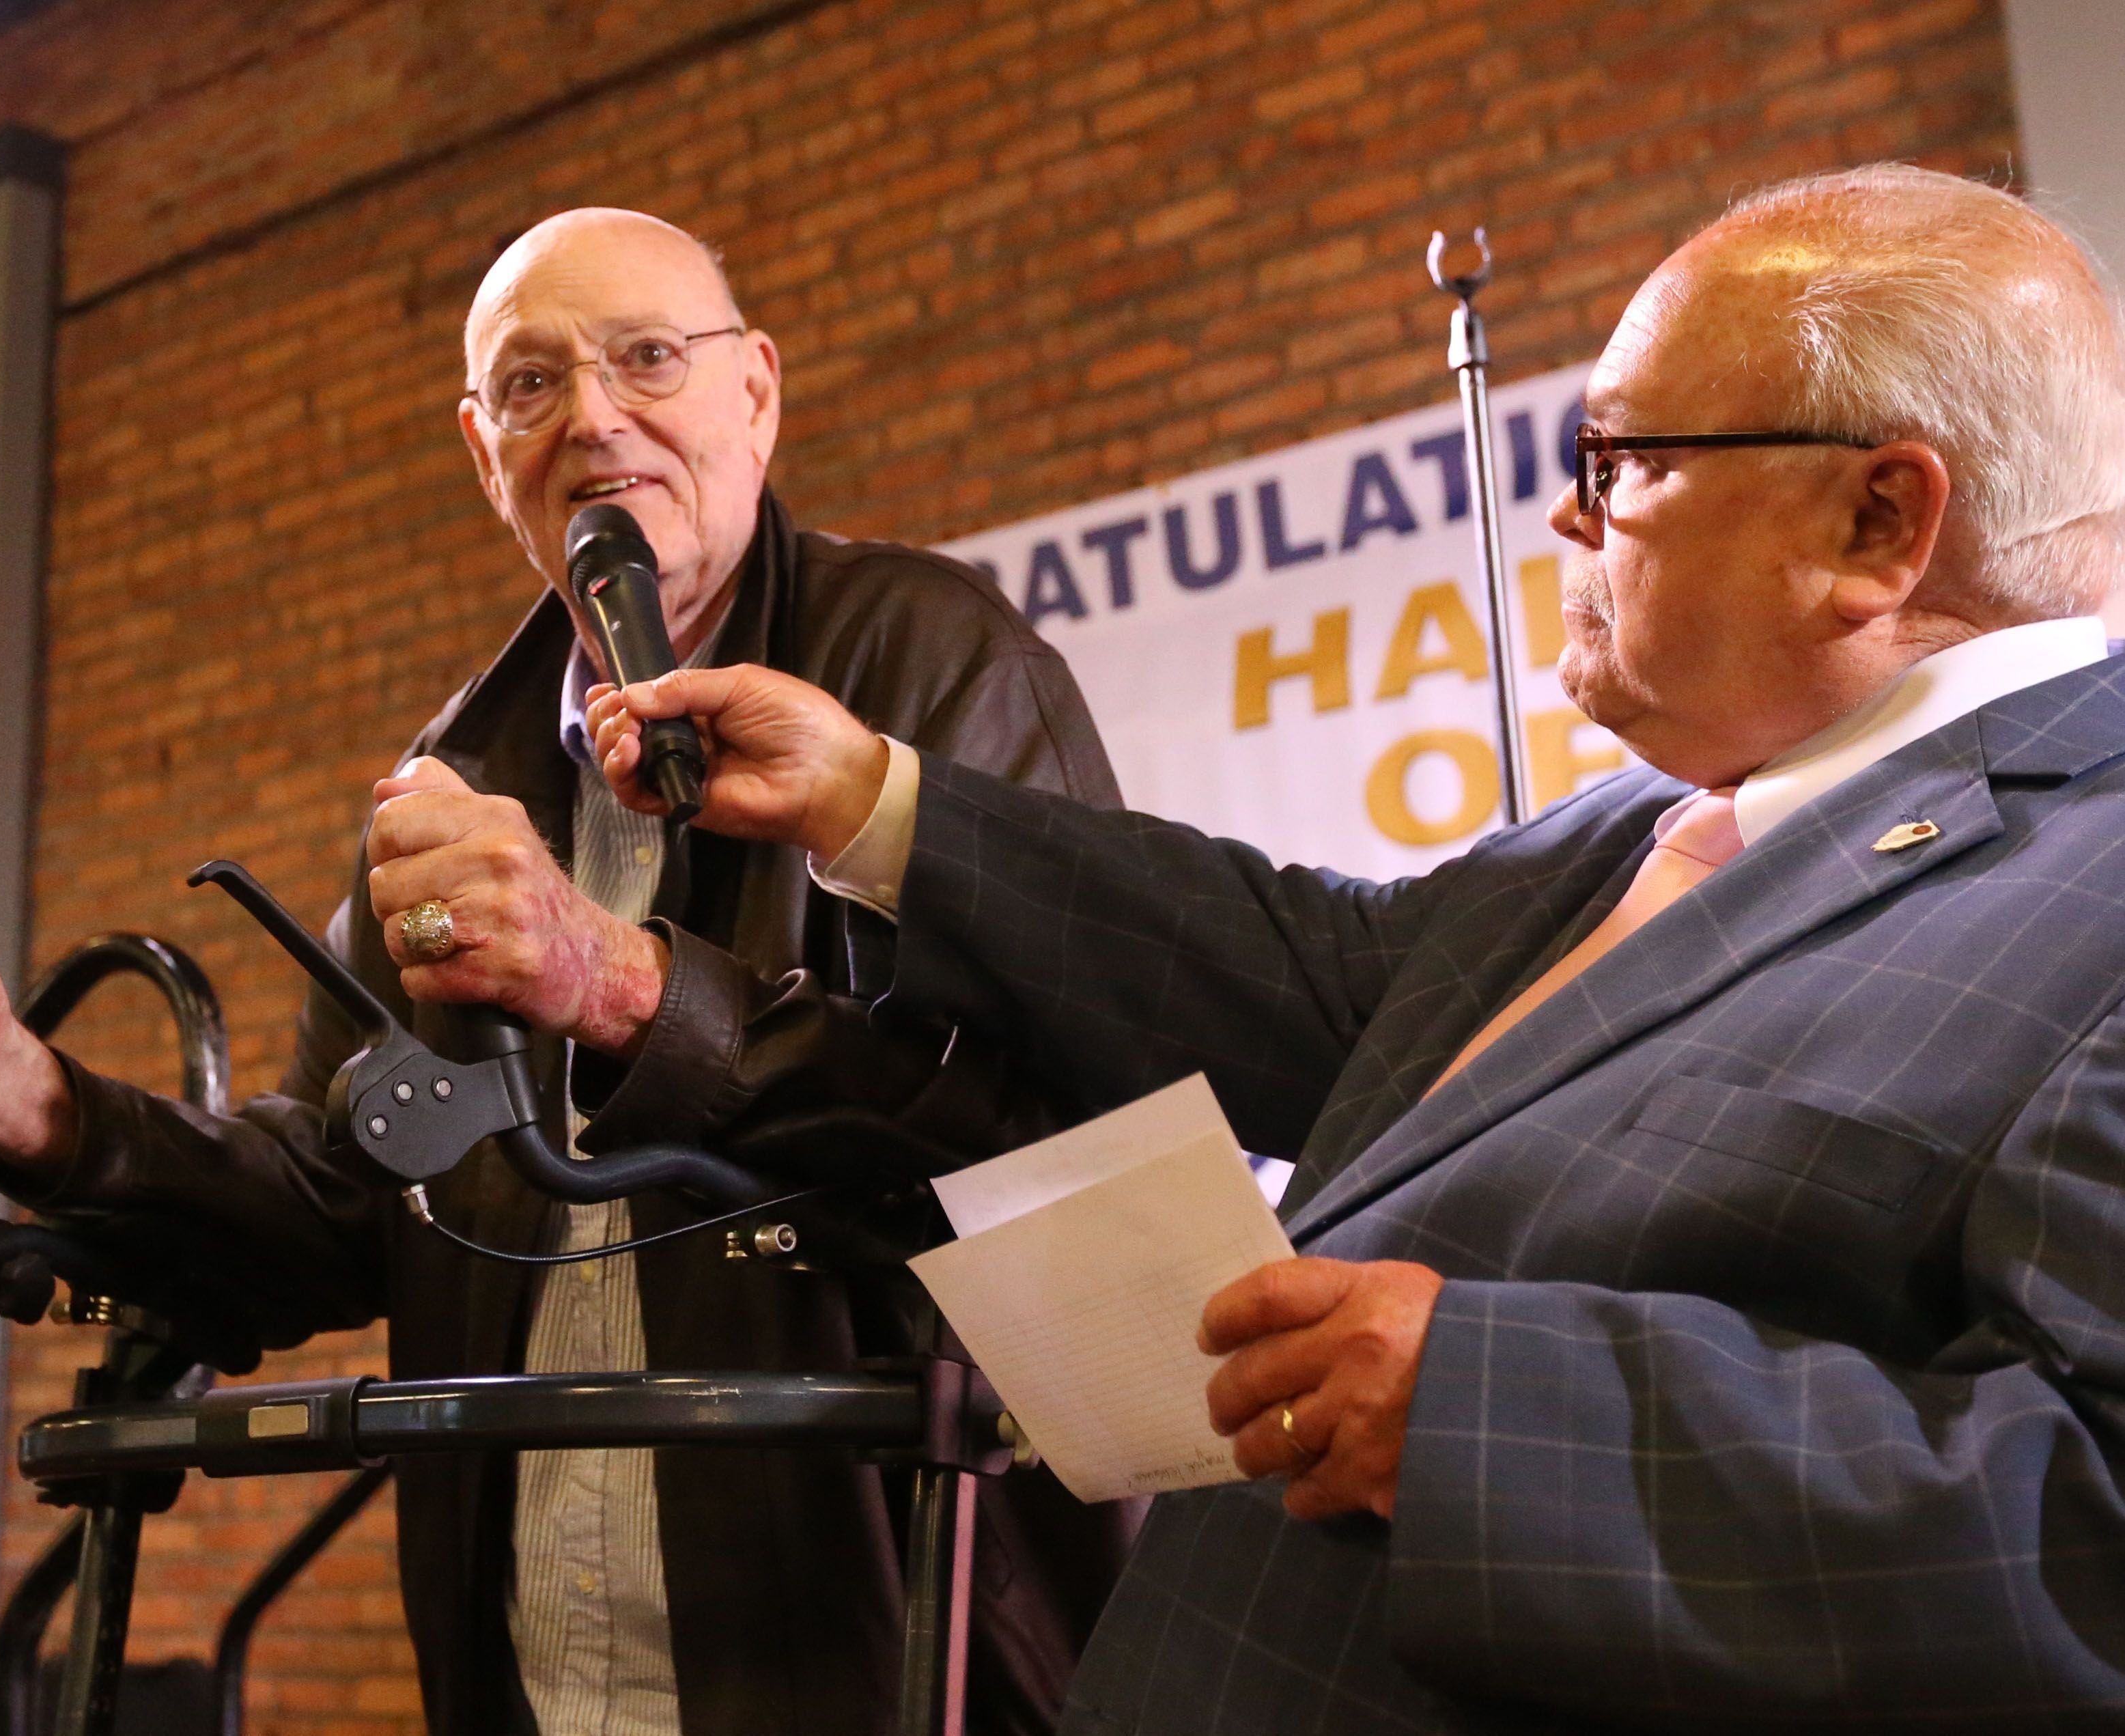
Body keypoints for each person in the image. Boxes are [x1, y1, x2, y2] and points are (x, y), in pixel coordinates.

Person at [587, 165, 2125, 1731]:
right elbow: (1330, 979)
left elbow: (2090, 1530)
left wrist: (1485, 1413)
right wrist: (865, 794)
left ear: (1880, 518)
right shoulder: (1642, 826)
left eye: (1622, 459)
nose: (1568, 512)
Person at [0, 208, 1134, 1735]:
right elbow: (336, 1199)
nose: (593, 417)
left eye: (647, 358)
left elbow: (1042, 1127)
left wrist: (624, 987)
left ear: (755, 392)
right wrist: (40, 1103)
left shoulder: (933, 663)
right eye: (530, 384)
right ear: (481, 450)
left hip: (899, 1669)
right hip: (541, 1683)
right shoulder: (459, 771)